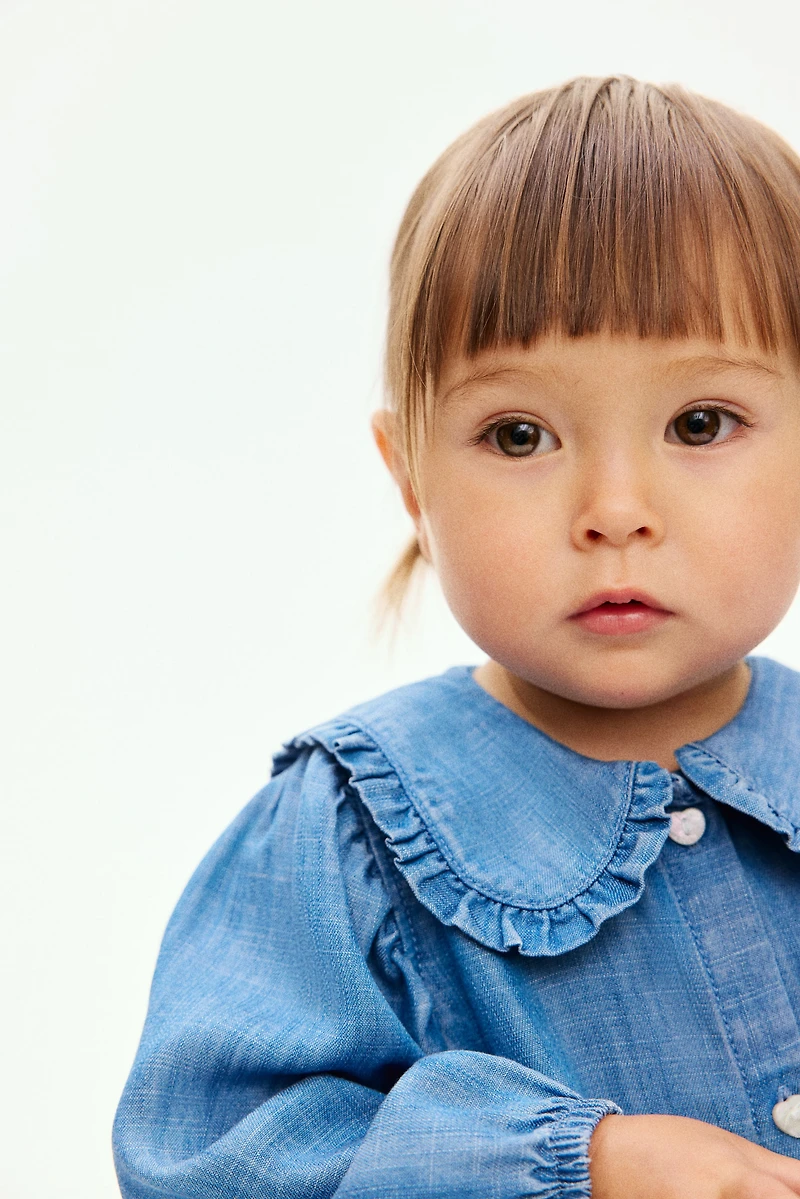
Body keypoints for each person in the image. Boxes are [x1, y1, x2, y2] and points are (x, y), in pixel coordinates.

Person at [113, 76, 800, 1198]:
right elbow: (212, 1157)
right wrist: (574, 1162)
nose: (614, 507)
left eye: (698, 422)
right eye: (518, 432)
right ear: (408, 474)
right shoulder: (346, 829)